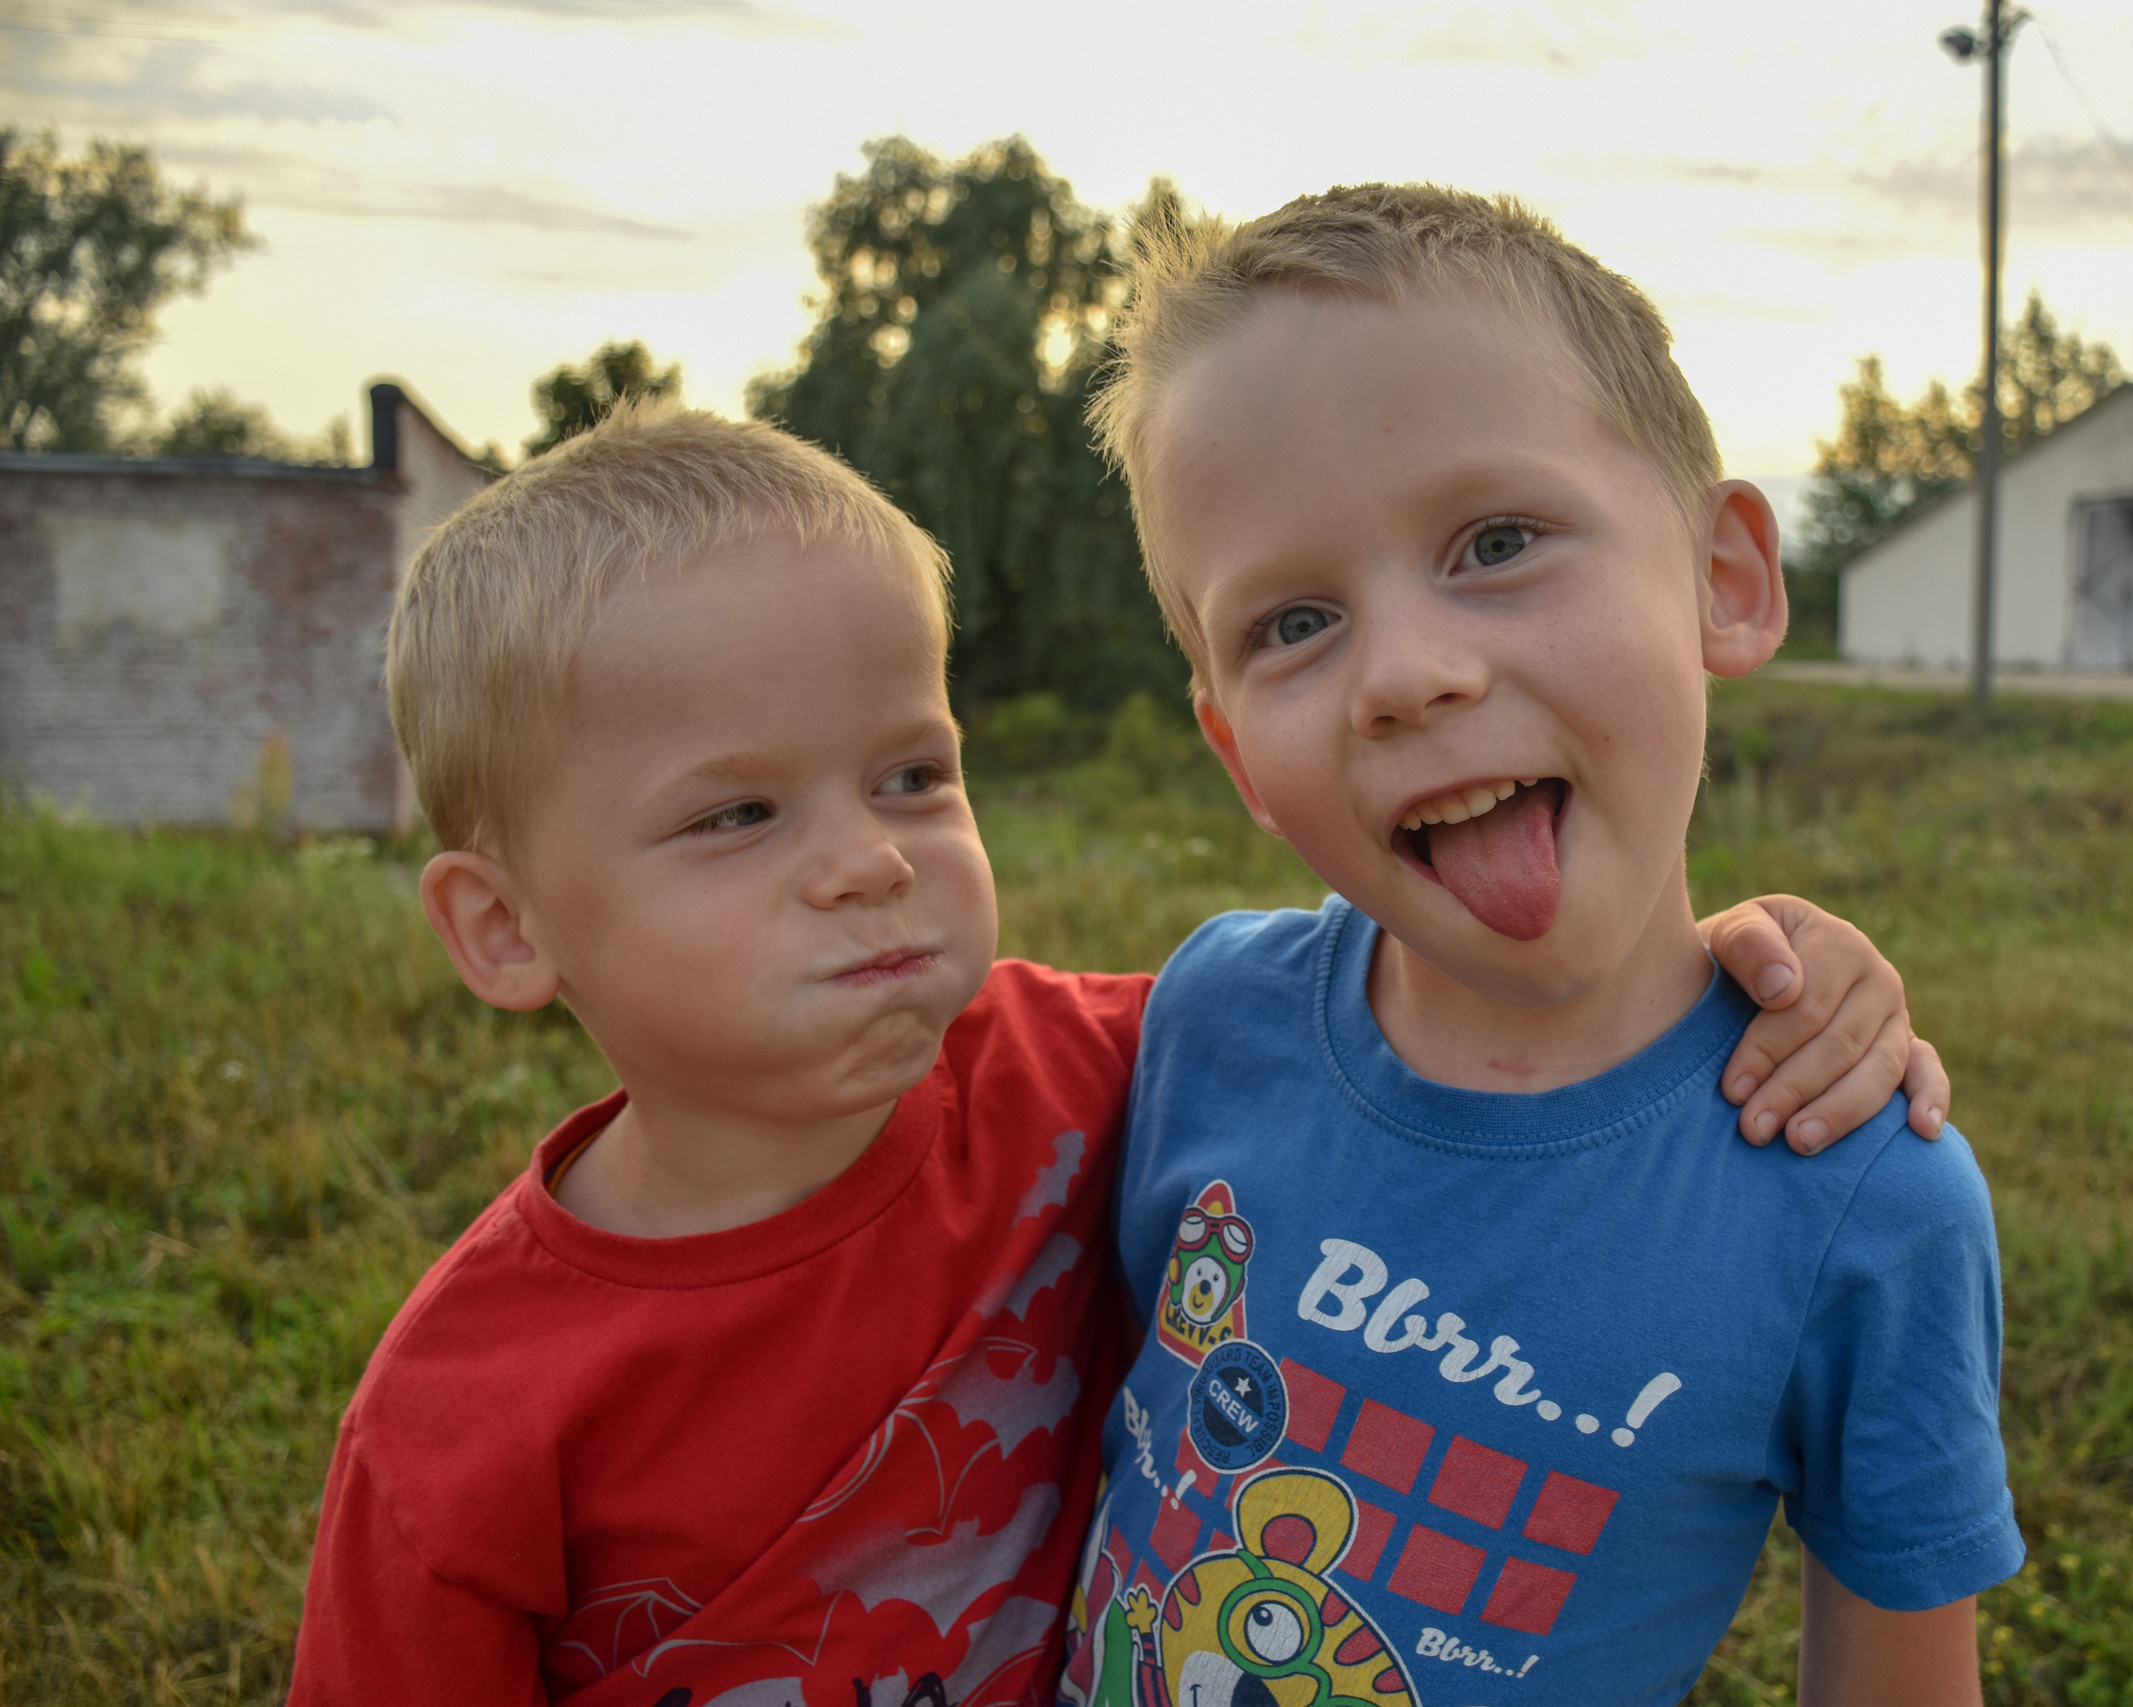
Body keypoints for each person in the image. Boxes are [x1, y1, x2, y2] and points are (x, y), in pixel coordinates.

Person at [287, 405, 1951, 1705]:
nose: (869, 859)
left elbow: (1428, 996)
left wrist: (1776, 953)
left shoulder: (1111, 1071)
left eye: (912, 777)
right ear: (506, 928)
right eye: (736, 813)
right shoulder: (460, 1426)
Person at [1061, 185, 2021, 1707]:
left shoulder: (1860, 1195)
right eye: (1293, 624)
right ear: (1237, 755)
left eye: (1496, 540)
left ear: (1724, 579)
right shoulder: (1208, 1019)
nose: (1408, 675)